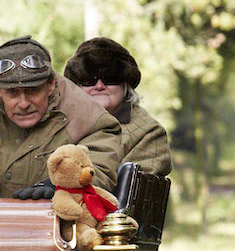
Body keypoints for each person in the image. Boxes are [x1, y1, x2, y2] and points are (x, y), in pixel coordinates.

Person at [0, 36, 123, 199]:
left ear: (51, 85)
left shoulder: (89, 116)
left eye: (33, 90)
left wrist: (61, 186)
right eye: (12, 92)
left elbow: (99, 169)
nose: (24, 103)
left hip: (65, 222)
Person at [63, 37, 171, 176]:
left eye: (110, 78)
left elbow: (128, 192)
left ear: (126, 85)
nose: (99, 86)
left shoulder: (148, 133)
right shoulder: (59, 122)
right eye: (89, 79)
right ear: (77, 87)